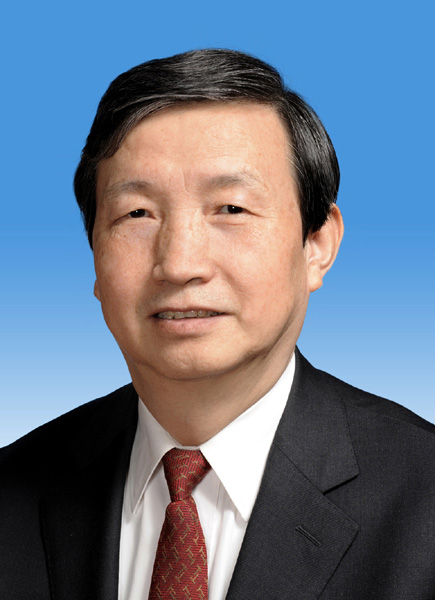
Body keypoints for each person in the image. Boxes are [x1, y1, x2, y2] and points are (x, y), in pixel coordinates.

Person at [1, 49, 435, 600]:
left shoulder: (423, 498)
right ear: (94, 256)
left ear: (317, 245)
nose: (181, 264)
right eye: (137, 214)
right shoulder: (13, 489)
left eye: (230, 209)